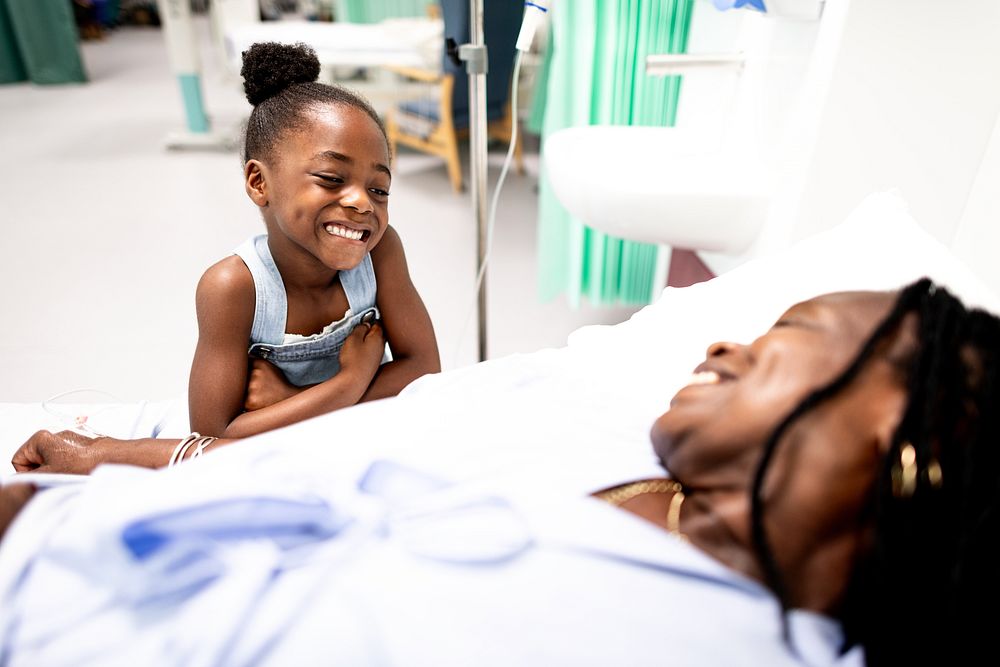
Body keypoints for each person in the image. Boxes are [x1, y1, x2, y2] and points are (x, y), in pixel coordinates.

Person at [3, 278, 998, 665]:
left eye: (790, 336)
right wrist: (113, 463)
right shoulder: (602, 433)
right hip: (61, 545)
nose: (725, 345)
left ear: (902, 433)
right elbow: (314, 452)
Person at [188, 41, 439, 438]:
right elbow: (213, 436)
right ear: (259, 182)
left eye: (379, 189)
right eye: (332, 179)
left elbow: (424, 368)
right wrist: (350, 381)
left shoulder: (382, 252)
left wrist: (291, 398)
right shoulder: (234, 288)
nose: (362, 203)